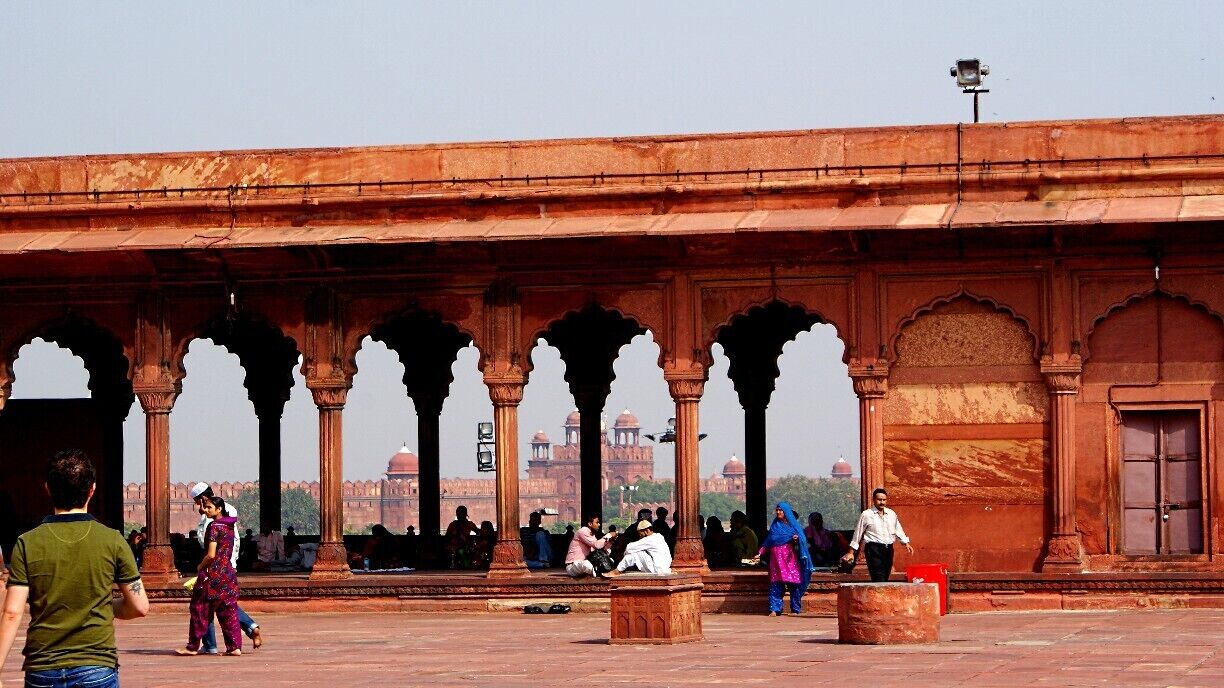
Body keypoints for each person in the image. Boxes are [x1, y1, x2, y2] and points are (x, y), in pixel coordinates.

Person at [0, 449, 148, 687]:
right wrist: (102, 606)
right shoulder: (112, 540)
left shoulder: (27, 543)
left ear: (47, 488)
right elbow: (139, 606)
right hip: (96, 665)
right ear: (92, 489)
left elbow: (12, 613)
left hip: (43, 667)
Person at [190, 482, 263, 651]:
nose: (201, 507)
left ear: (203, 498)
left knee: (207, 604)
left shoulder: (219, 515)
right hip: (222, 564)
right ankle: (249, 629)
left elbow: (231, 540)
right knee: (224, 603)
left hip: (217, 565)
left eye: (197, 501)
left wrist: (206, 565)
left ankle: (210, 645)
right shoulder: (210, 513)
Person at [177, 496, 242, 656]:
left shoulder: (214, 527)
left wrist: (200, 566)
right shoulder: (229, 526)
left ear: (219, 509)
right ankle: (234, 647)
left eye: (209, 508)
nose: (205, 510)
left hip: (213, 574)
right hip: (227, 573)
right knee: (228, 609)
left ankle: (192, 646)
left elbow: (211, 554)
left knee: (198, 608)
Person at [843, 488, 913, 582]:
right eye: (879, 500)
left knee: (885, 576)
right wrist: (851, 552)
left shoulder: (891, 514)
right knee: (878, 577)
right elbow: (858, 533)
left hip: (888, 549)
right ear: (874, 500)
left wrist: (906, 543)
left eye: (884, 500)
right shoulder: (867, 514)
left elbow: (898, 529)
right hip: (873, 549)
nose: (882, 502)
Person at [756, 502, 813, 616]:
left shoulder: (794, 527)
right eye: (777, 510)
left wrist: (796, 540)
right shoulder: (774, 526)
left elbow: (802, 541)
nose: (778, 512)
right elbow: (768, 541)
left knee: (794, 584)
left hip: (789, 560)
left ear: (786, 512)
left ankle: (795, 609)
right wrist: (759, 553)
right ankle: (774, 609)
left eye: (780, 510)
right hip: (775, 561)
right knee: (775, 584)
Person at [607, 520, 672, 575]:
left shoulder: (649, 539)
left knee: (634, 554)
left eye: (640, 534)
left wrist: (624, 555)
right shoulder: (659, 536)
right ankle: (621, 568)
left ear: (646, 531)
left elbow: (629, 547)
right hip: (664, 568)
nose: (640, 537)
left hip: (657, 569)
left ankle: (617, 570)